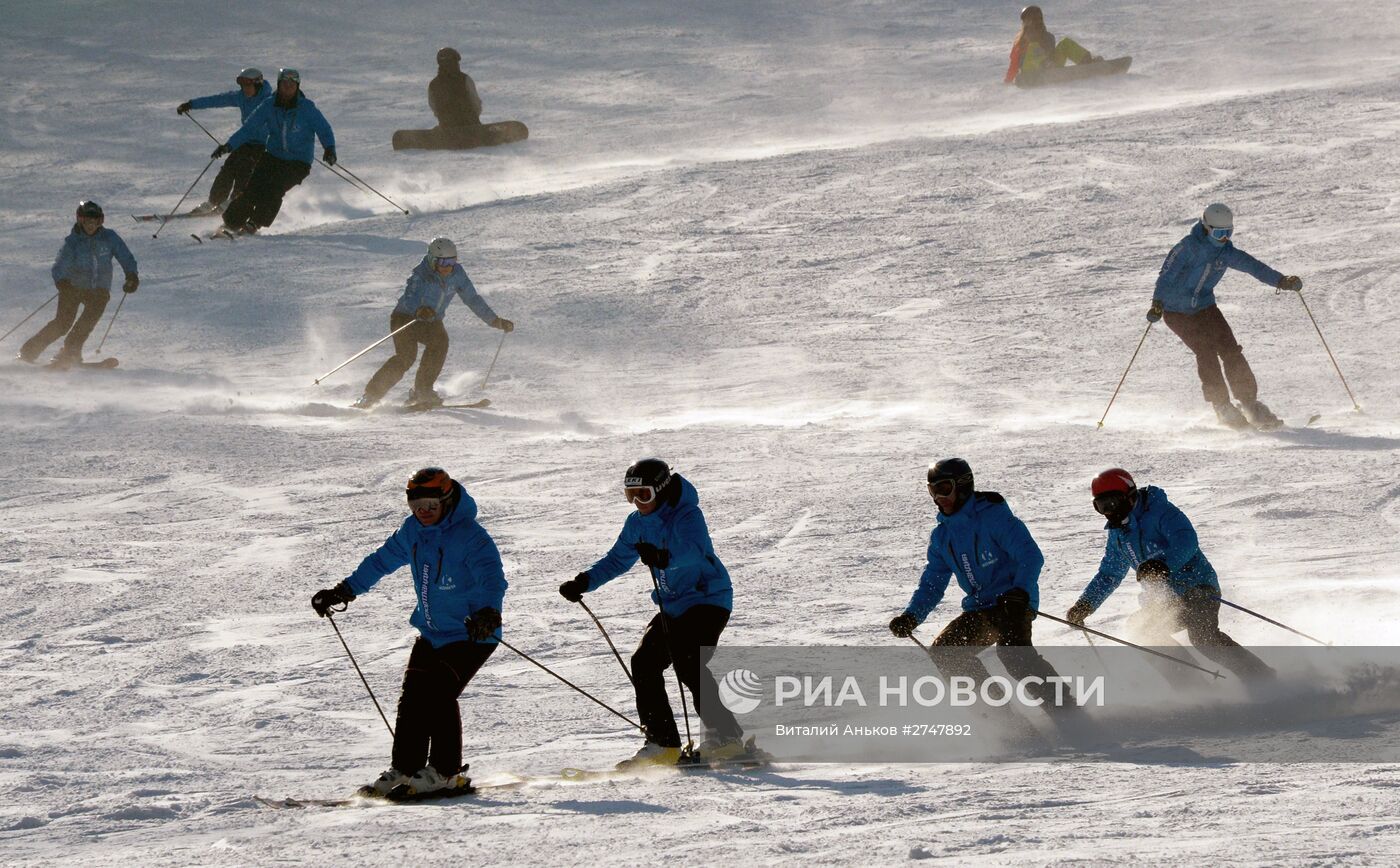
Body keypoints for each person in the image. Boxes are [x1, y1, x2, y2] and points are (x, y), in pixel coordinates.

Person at [311, 467, 507, 797]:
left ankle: (446, 773)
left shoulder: (470, 536)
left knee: (439, 695)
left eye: (431, 504)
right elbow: (381, 561)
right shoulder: (412, 531)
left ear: (446, 499)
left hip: (471, 634)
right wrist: (345, 590)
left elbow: (492, 578)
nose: (424, 512)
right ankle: (406, 768)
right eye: (417, 506)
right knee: (413, 698)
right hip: (432, 633)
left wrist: (489, 612)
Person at [558, 458, 749, 768]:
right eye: (630, 496)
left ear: (660, 491)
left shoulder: (687, 515)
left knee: (689, 662)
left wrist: (663, 557)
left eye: (643, 495)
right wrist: (584, 581)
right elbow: (617, 559)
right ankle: (663, 744)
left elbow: (694, 550)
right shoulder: (637, 523)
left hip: (707, 600)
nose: (637, 503)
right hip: (673, 606)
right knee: (644, 662)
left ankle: (726, 739)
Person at [889, 459, 1073, 712]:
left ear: (963, 486)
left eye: (943, 488)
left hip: (1012, 603)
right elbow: (933, 582)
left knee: (1014, 656)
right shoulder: (942, 536)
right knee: (947, 652)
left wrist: (1020, 590)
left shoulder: (993, 516)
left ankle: (1066, 710)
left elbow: (1030, 555)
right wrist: (912, 616)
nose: (937, 497)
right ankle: (1004, 720)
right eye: (932, 490)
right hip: (980, 608)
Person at [1066, 469, 1274, 685]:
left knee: (1204, 639)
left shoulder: (1160, 512)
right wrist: (1086, 604)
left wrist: (1164, 565)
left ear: (1130, 495)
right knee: (1142, 629)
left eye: (1114, 502)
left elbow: (1186, 541)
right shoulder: (1118, 534)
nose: (1110, 511)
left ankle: (1262, 679)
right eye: (1101, 506)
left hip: (1197, 587)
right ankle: (1193, 687)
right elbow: (1109, 573)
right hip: (1165, 599)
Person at [1149, 203, 1303, 430]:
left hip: (1205, 307)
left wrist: (1281, 280)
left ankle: (1250, 403)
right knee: (1206, 351)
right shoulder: (1187, 248)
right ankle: (1222, 406)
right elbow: (1166, 276)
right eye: (1219, 233)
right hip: (1176, 311)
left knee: (1230, 350)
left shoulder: (1226, 252)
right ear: (1206, 227)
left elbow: (1253, 267)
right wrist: (1157, 303)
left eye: (1228, 233)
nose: (1224, 238)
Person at [355, 237, 514, 409]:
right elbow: (410, 296)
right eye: (443, 262)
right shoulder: (421, 274)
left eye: (452, 261)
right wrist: (418, 309)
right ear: (432, 260)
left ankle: (422, 391)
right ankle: (370, 396)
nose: (448, 266)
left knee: (440, 343)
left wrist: (494, 320)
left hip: (431, 320)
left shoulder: (457, 274)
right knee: (406, 358)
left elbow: (472, 299)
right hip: (406, 318)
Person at [212, 68, 335, 234]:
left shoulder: (307, 108)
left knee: (274, 189)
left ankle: (254, 224)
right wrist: (229, 145)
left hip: (298, 162)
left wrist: (329, 148)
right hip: (273, 156)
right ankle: (231, 224)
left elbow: (324, 129)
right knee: (252, 188)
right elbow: (249, 128)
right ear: (279, 84)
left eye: (292, 84)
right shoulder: (269, 105)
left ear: (297, 86)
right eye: (284, 83)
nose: (288, 87)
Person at [18, 201, 138, 368]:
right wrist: (63, 283)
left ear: (100, 222)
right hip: (73, 288)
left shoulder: (109, 238)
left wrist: (131, 275)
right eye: (87, 222)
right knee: (62, 323)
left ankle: (69, 352)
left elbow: (125, 256)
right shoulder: (73, 242)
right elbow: (59, 266)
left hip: (99, 290)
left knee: (88, 321)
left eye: (94, 222)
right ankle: (28, 352)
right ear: (80, 221)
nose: (90, 226)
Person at [176, 68, 272, 214]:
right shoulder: (241, 97)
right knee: (229, 167)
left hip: (264, 144)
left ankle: (235, 202)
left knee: (245, 169)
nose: (245, 89)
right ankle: (214, 202)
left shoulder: (269, 101)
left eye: (248, 86)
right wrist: (191, 104)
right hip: (244, 140)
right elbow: (217, 100)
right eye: (243, 86)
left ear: (258, 85)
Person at [1004, 5, 1101, 84]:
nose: (1036, 21)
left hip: (1051, 69)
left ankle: (1088, 62)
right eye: (1033, 19)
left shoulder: (1048, 37)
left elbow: (1053, 54)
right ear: (1026, 22)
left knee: (1065, 43)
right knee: (1033, 46)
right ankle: (1047, 65)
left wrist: (1052, 64)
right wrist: (1008, 82)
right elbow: (1014, 65)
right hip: (1030, 73)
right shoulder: (1021, 42)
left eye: (1039, 18)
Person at [429, 47, 483, 128]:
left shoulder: (433, 84)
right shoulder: (465, 79)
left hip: (446, 129)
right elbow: (475, 102)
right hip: (470, 126)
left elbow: (434, 107)